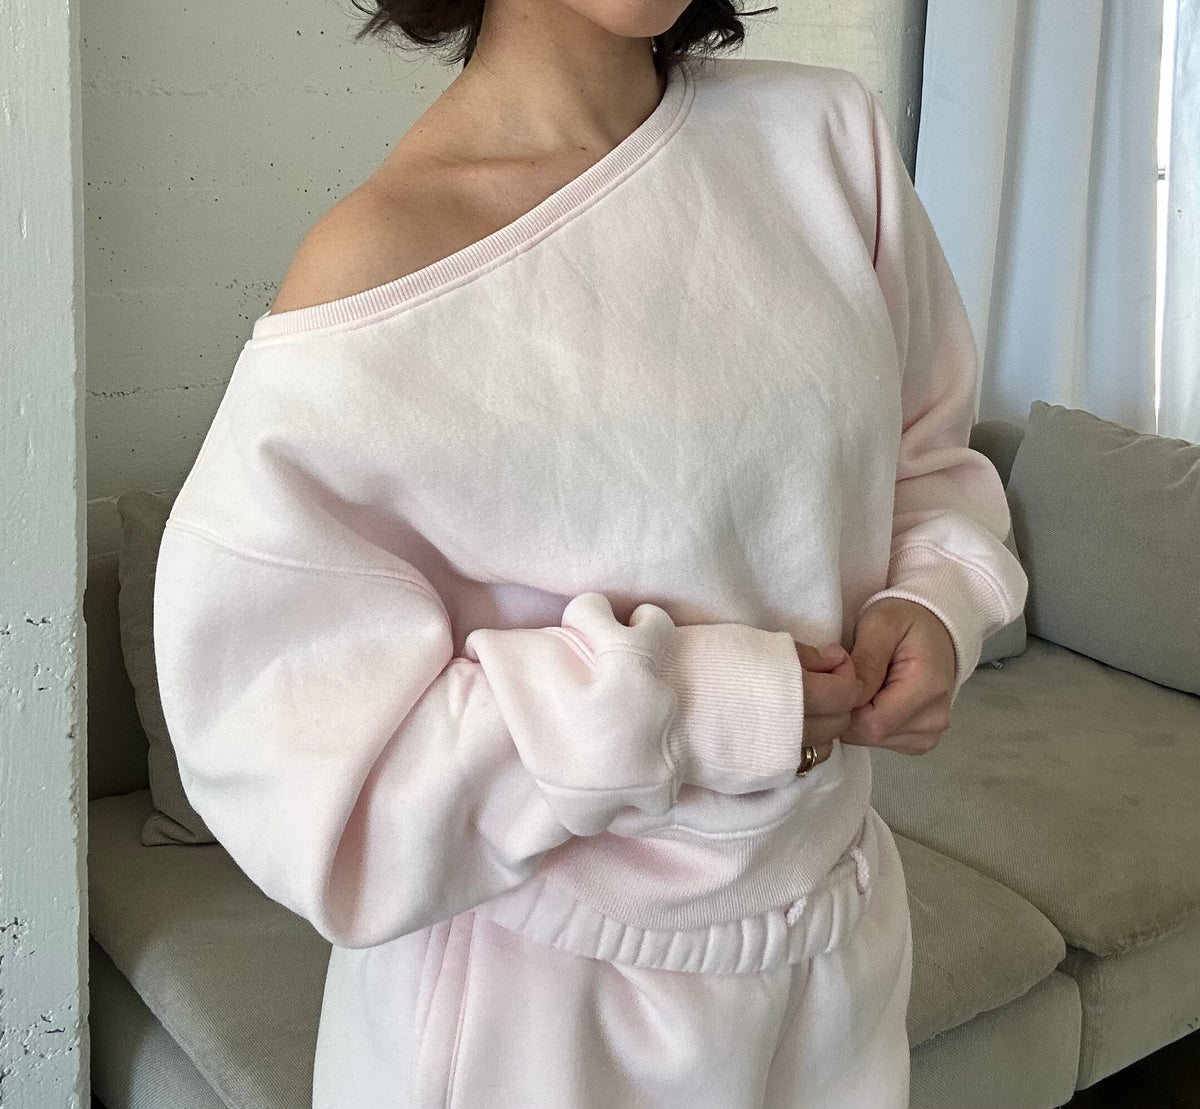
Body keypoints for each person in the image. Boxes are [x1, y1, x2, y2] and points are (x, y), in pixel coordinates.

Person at [151, 1, 1029, 1107]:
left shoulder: (826, 144)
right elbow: (295, 756)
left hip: (834, 951)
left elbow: (924, 453)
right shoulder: (384, 264)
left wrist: (938, 600)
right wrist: (680, 708)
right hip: (526, 1026)